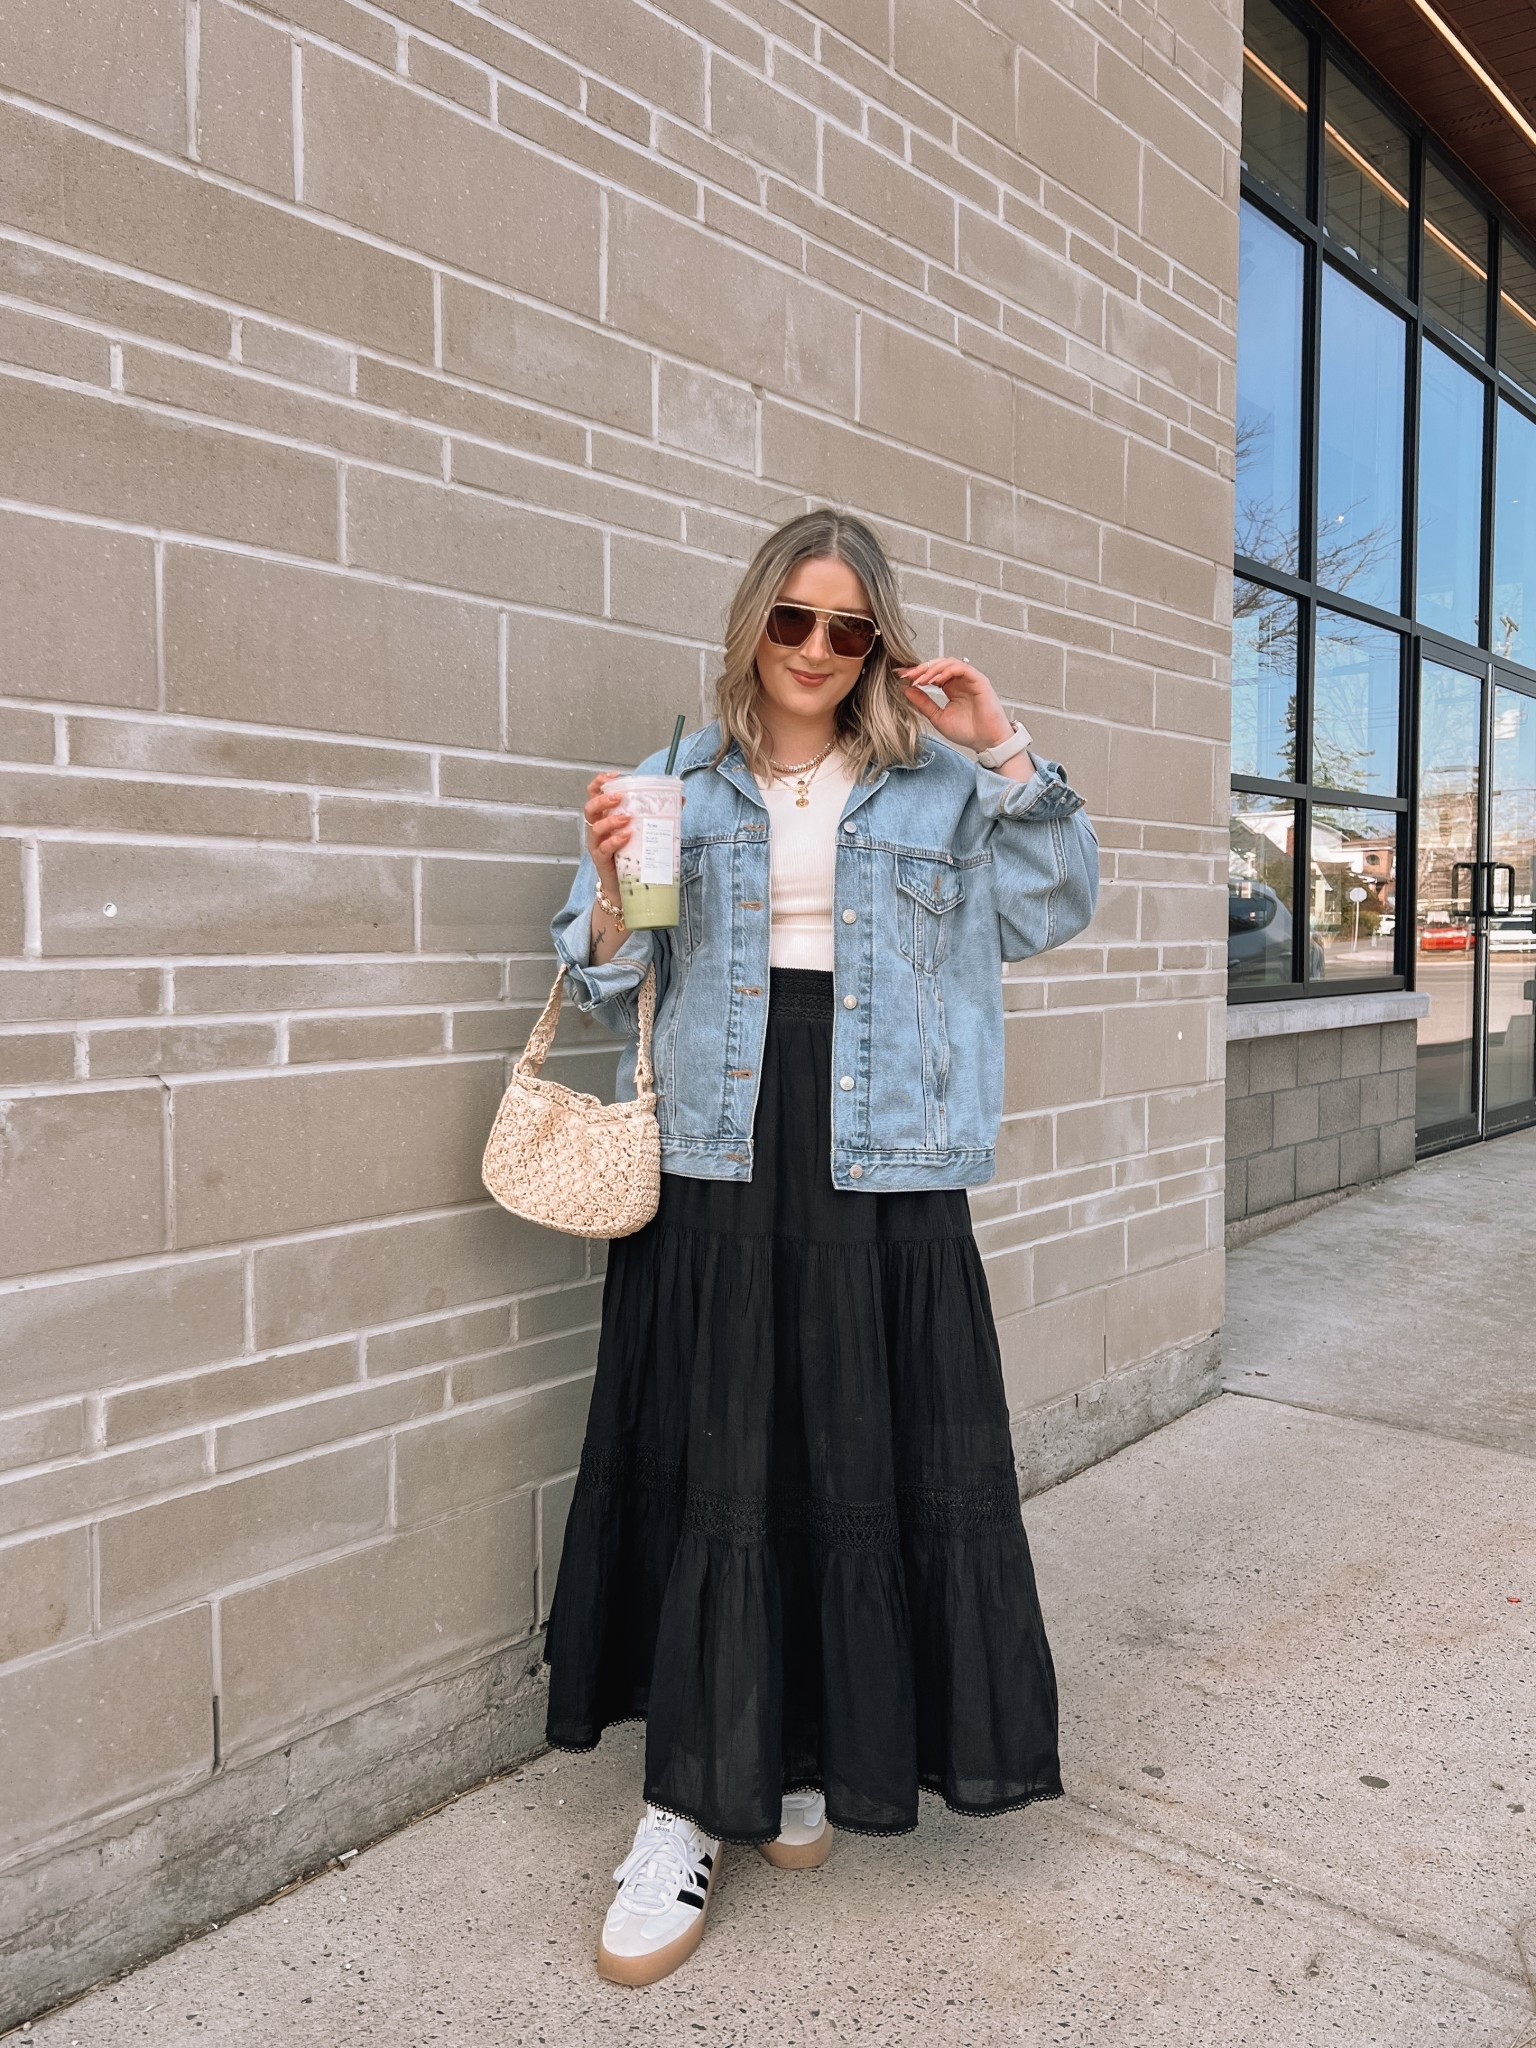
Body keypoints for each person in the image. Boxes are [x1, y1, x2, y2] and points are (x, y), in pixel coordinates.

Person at [542, 507, 1099, 1987]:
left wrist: (1003, 748)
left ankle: (795, 1755)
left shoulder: (937, 786)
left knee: (850, 1449)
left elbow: (1056, 906)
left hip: (886, 1156)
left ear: (877, 644)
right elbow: (606, 975)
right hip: (721, 1145)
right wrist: (608, 888)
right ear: (753, 624)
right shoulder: (679, 779)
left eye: (848, 628)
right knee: (722, 1459)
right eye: (793, 618)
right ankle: (684, 1807)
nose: (815, 649)